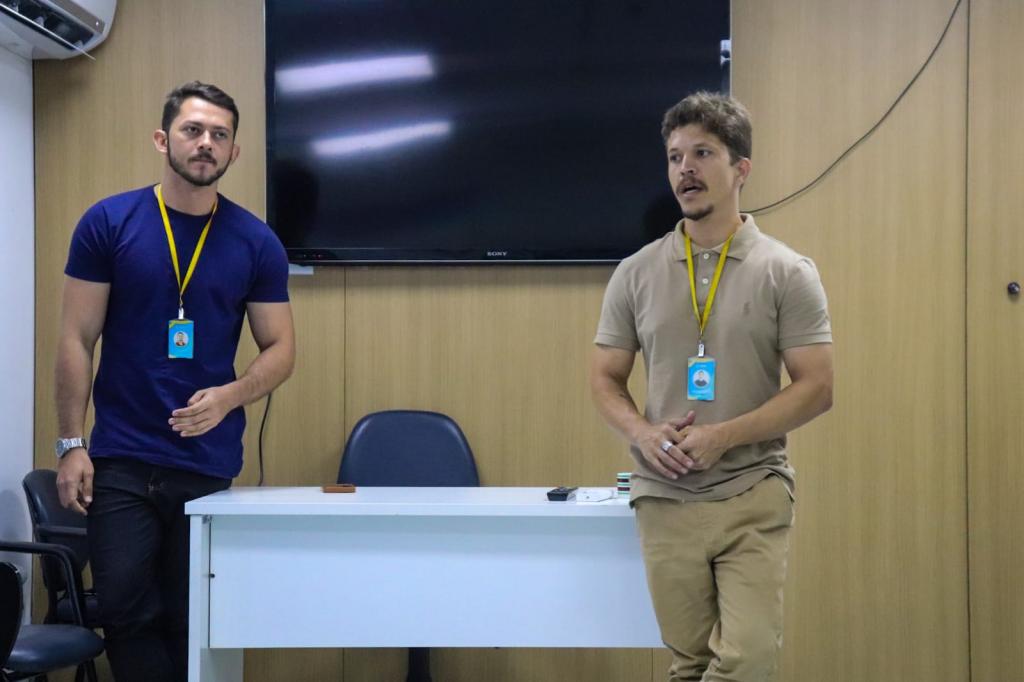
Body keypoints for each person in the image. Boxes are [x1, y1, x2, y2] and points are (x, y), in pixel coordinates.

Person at [54, 81, 296, 682]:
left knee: (194, 619)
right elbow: (76, 339)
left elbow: (281, 349)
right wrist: (70, 444)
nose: (206, 143)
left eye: (219, 134)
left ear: (234, 151)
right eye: (193, 130)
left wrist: (231, 397)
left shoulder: (256, 241)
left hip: (205, 462)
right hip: (121, 460)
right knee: (125, 614)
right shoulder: (108, 223)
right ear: (163, 139)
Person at [589, 91, 833, 681]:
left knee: (747, 660)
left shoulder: (787, 272)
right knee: (690, 664)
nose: (685, 169)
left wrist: (723, 436)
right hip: (664, 496)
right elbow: (605, 378)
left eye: (702, 153)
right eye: (675, 157)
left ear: (740, 168)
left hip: (753, 489)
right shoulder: (635, 272)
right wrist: (643, 433)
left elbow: (817, 387)